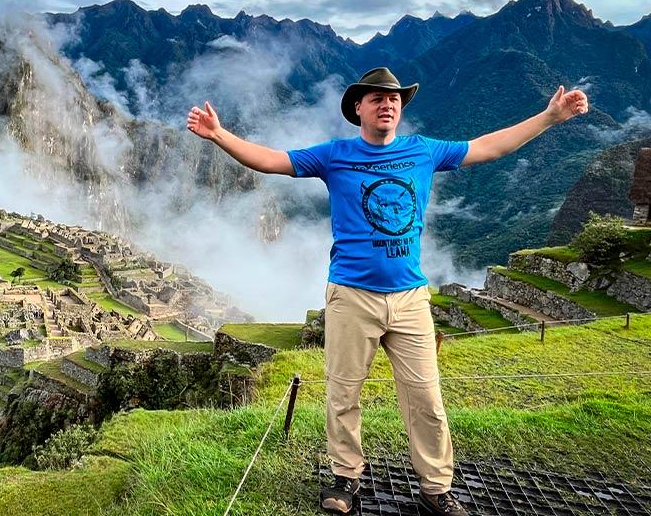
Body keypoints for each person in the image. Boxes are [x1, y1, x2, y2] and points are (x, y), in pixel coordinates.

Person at [185, 67, 588, 516]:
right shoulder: (334, 156)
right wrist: (220, 135)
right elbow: (271, 160)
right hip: (351, 295)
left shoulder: (424, 151)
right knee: (343, 393)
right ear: (358, 107)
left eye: (394, 98)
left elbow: (490, 147)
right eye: (376, 98)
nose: (387, 103)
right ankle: (345, 479)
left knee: (426, 398)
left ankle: (436, 487)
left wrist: (549, 117)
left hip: (411, 297)